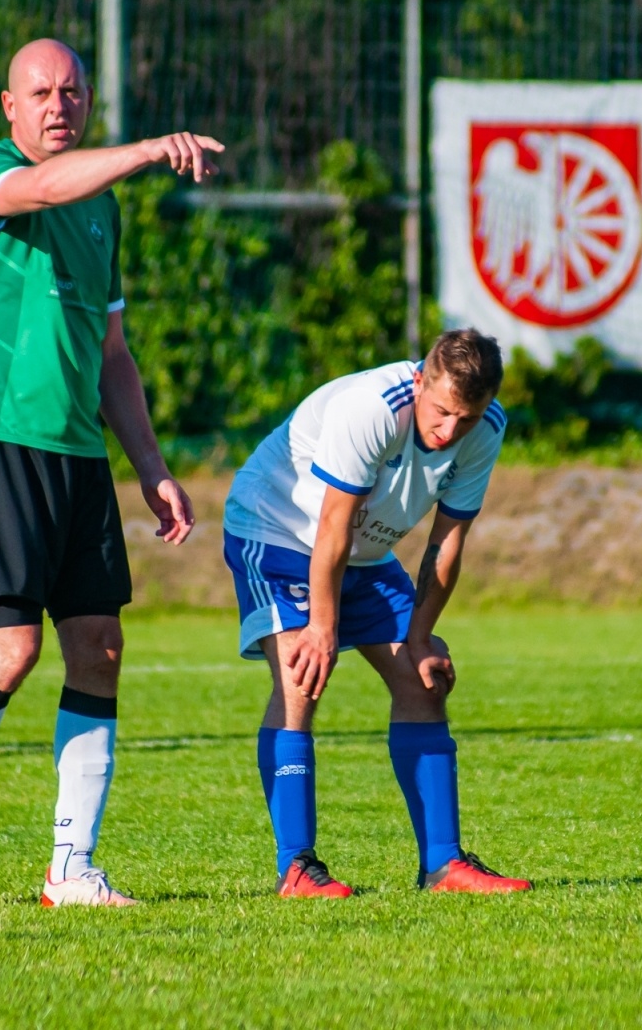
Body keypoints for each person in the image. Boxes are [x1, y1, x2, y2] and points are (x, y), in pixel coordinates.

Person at [0, 38, 221, 909]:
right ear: (9, 104)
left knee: (99, 650)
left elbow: (112, 352)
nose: (56, 105)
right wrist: (150, 151)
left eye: (71, 92)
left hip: (77, 453)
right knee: (13, 647)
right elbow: (42, 187)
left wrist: (150, 467)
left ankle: (71, 868)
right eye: (39, 92)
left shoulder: (101, 214)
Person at [223, 329, 533, 897]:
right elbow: (332, 528)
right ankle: (296, 867)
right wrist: (320, 628)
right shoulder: (371, 409)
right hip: (277, 530)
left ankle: (442, 865)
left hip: (361, 551)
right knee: (303, 674)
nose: (449, 431)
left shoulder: (484, 428)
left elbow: (447, 543)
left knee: (423, 683)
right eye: (440, 412)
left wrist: (421, 635)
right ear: (420, 381)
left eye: (465, 418)